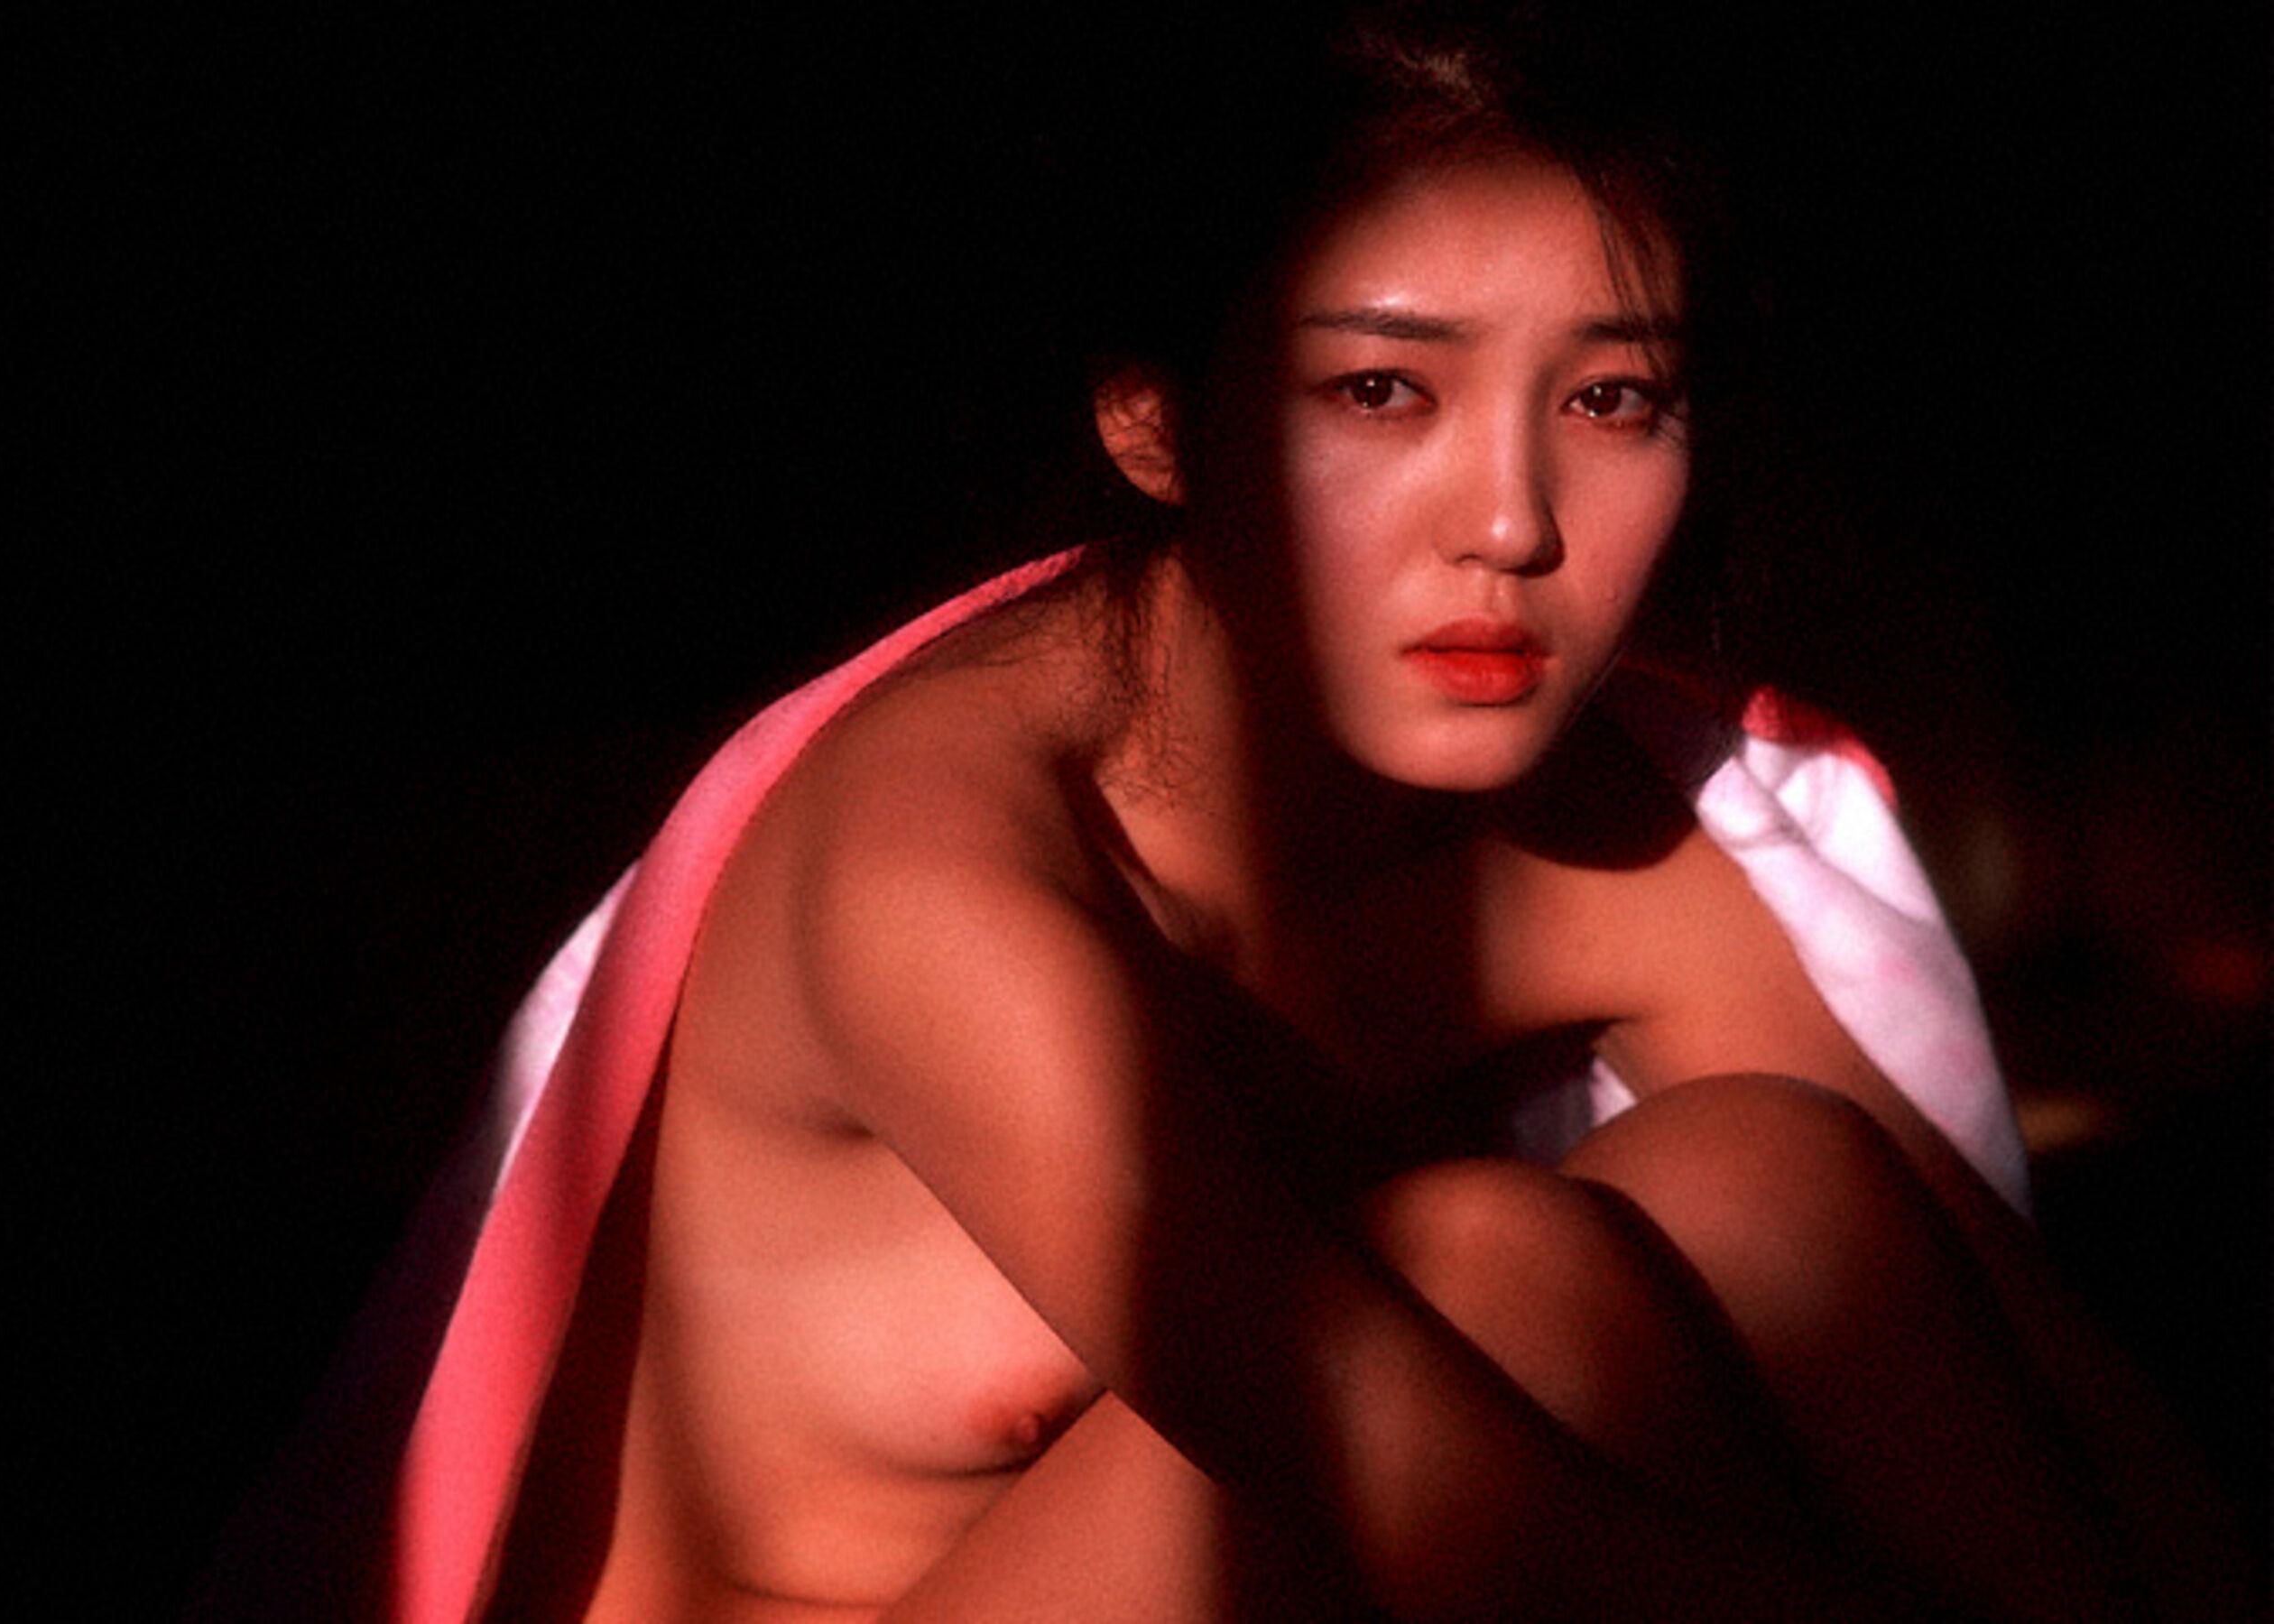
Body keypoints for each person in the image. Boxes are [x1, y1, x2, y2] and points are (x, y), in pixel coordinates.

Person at [208, 5, 2251, 1619]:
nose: (1513, 523)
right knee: (1486, 1277)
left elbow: (2027, 1358)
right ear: (1156, 420)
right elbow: (1424, 1490)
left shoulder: (1597, 830)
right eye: (1382, 391)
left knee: (1776, 1183)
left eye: (1611, 399)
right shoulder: (941, 862)